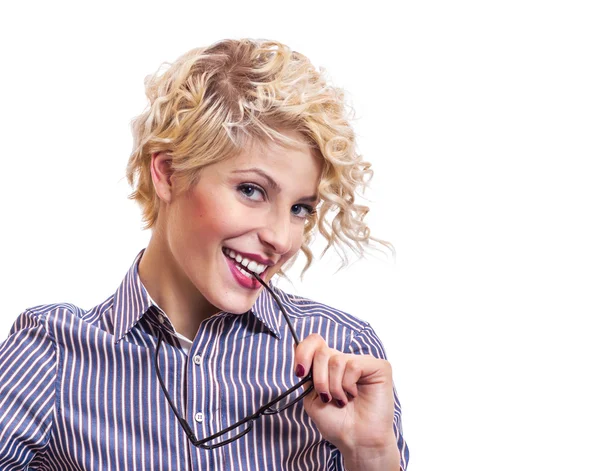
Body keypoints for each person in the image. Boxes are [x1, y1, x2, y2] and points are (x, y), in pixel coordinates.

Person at [0, 39, 409, 470]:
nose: (281, 238)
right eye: (251, 190)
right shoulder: (50, 352)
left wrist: (369, 453)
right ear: (168, 172)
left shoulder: (347, 356)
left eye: (299, 209)